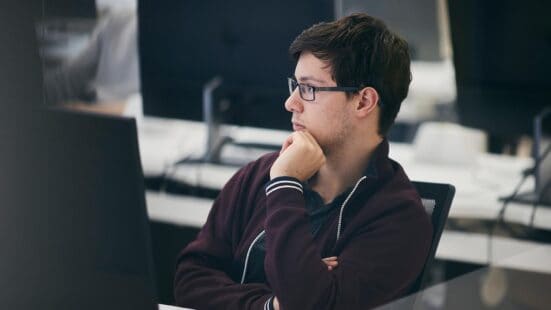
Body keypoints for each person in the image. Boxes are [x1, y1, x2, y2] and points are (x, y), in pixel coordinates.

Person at [174, 13, 432, 310]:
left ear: (363, 102)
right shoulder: (259, 174)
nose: (291, 102)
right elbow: (189, 279)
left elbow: (310, 305)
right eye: (295, 85)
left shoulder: (399, 220)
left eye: (309, 89)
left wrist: (285, 184)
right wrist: (268, 305)